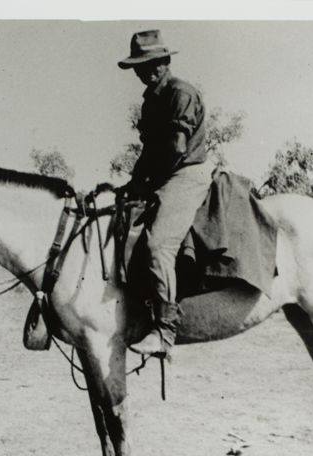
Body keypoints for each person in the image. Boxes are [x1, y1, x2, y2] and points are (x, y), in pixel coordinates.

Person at [118, 30, 212, 357]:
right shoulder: (150, 100)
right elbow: (148, 151)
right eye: (140, 66)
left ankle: (164, 330)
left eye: (152, 64)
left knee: (159, 245)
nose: (146, 71)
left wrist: (149, 184)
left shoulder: (180, 93)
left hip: (186, 174)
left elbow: (176, 148)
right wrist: (132, 184)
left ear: (165, 62)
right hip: (163, 175)